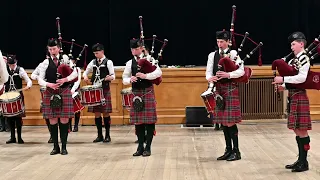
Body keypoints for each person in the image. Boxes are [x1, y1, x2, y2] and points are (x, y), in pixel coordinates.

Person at [272, 32, 311, 172]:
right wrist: (284, 87)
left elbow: (301, 78)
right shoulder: (293, 60)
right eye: (290, 44)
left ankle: (304, 162)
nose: (291, 47)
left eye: (293, 44)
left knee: (302, 130)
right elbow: (292, 78)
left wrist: (282, 80)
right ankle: (300, 159)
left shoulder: (304, 59)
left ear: (301, 44)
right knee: (296, 128)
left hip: (300, 96)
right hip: (293, 95)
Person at [205, 30, 244, 161]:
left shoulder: (233, 54)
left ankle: (236, 151)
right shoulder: (213, 55)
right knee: (223, 121)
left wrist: (228, 75)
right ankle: (228, 150)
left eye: (222, 42)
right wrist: (211, 78)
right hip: (219, 90)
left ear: (228, 42)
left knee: (230, 121)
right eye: (218, 42)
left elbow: (241, 71)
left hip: (230, 88)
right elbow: (208, 72)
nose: (220, 44)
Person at [37, 38, 78, 155]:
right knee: (53, 120)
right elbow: (39, 78)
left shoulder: (65, 59)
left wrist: (66, 79)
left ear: (59, 49)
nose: (52, 51)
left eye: (54, 49)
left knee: (64, 119)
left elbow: (75, 73)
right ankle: (55, 147)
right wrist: (48, 84)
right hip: (51, 92)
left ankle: (64, 147)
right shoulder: (45, 63)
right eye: (50, 49)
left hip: (64, 90)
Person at [122, 39, 162, 156]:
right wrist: (130, 79)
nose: (135, 51)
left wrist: (146, 76)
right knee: (138, 122)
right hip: (136, 93)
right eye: (132, 49)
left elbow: (159, 73)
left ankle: (148, 147)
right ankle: (140, 146)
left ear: (141, 48)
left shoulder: (150, 59)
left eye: (137, 49)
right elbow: (124, 78)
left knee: (149, 122)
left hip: (147, 91)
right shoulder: (130, 63)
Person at [83, 43, 115, 143]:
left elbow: (113, 75)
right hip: (94, 89)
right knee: (96, 113)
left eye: (97, 53)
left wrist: (109, 77)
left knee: (105, 112)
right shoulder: (93, 62)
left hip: (104, 89)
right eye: (94, 53)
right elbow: (85, 71)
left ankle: (107, 135)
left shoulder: (108, 62)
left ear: (102, 52)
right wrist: (85, 77)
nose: (96, 55)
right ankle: (99, 135)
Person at [4, 55, 32, 144]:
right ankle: (12, 137)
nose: (12, 66)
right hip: (7, 95)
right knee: (9, 117)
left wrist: (28, 85)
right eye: (10, 64)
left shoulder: (20, 70)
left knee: (18, 117)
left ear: (16, 62)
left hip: (17, 96)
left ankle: (19, 137)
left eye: (13, 64)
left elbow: (29, 80)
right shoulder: (5, 70)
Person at [31, 61, 53, 143]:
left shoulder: (57, 63)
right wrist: (38, 78)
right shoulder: (41, 65)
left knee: (58, 114)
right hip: (44, 91)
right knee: (47, 115)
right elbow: (33, 75)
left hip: (54, 90)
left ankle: (61, 134)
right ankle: (52, 135)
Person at [69, 56, 82, 132]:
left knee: (76, 109)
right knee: (68, 109)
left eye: (72, 60)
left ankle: (76, 125)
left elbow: (78, 80)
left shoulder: (77, 69)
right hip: (67, 90)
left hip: (75, 90)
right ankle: (69, 125)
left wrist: (73, 89)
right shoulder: (66, 69)